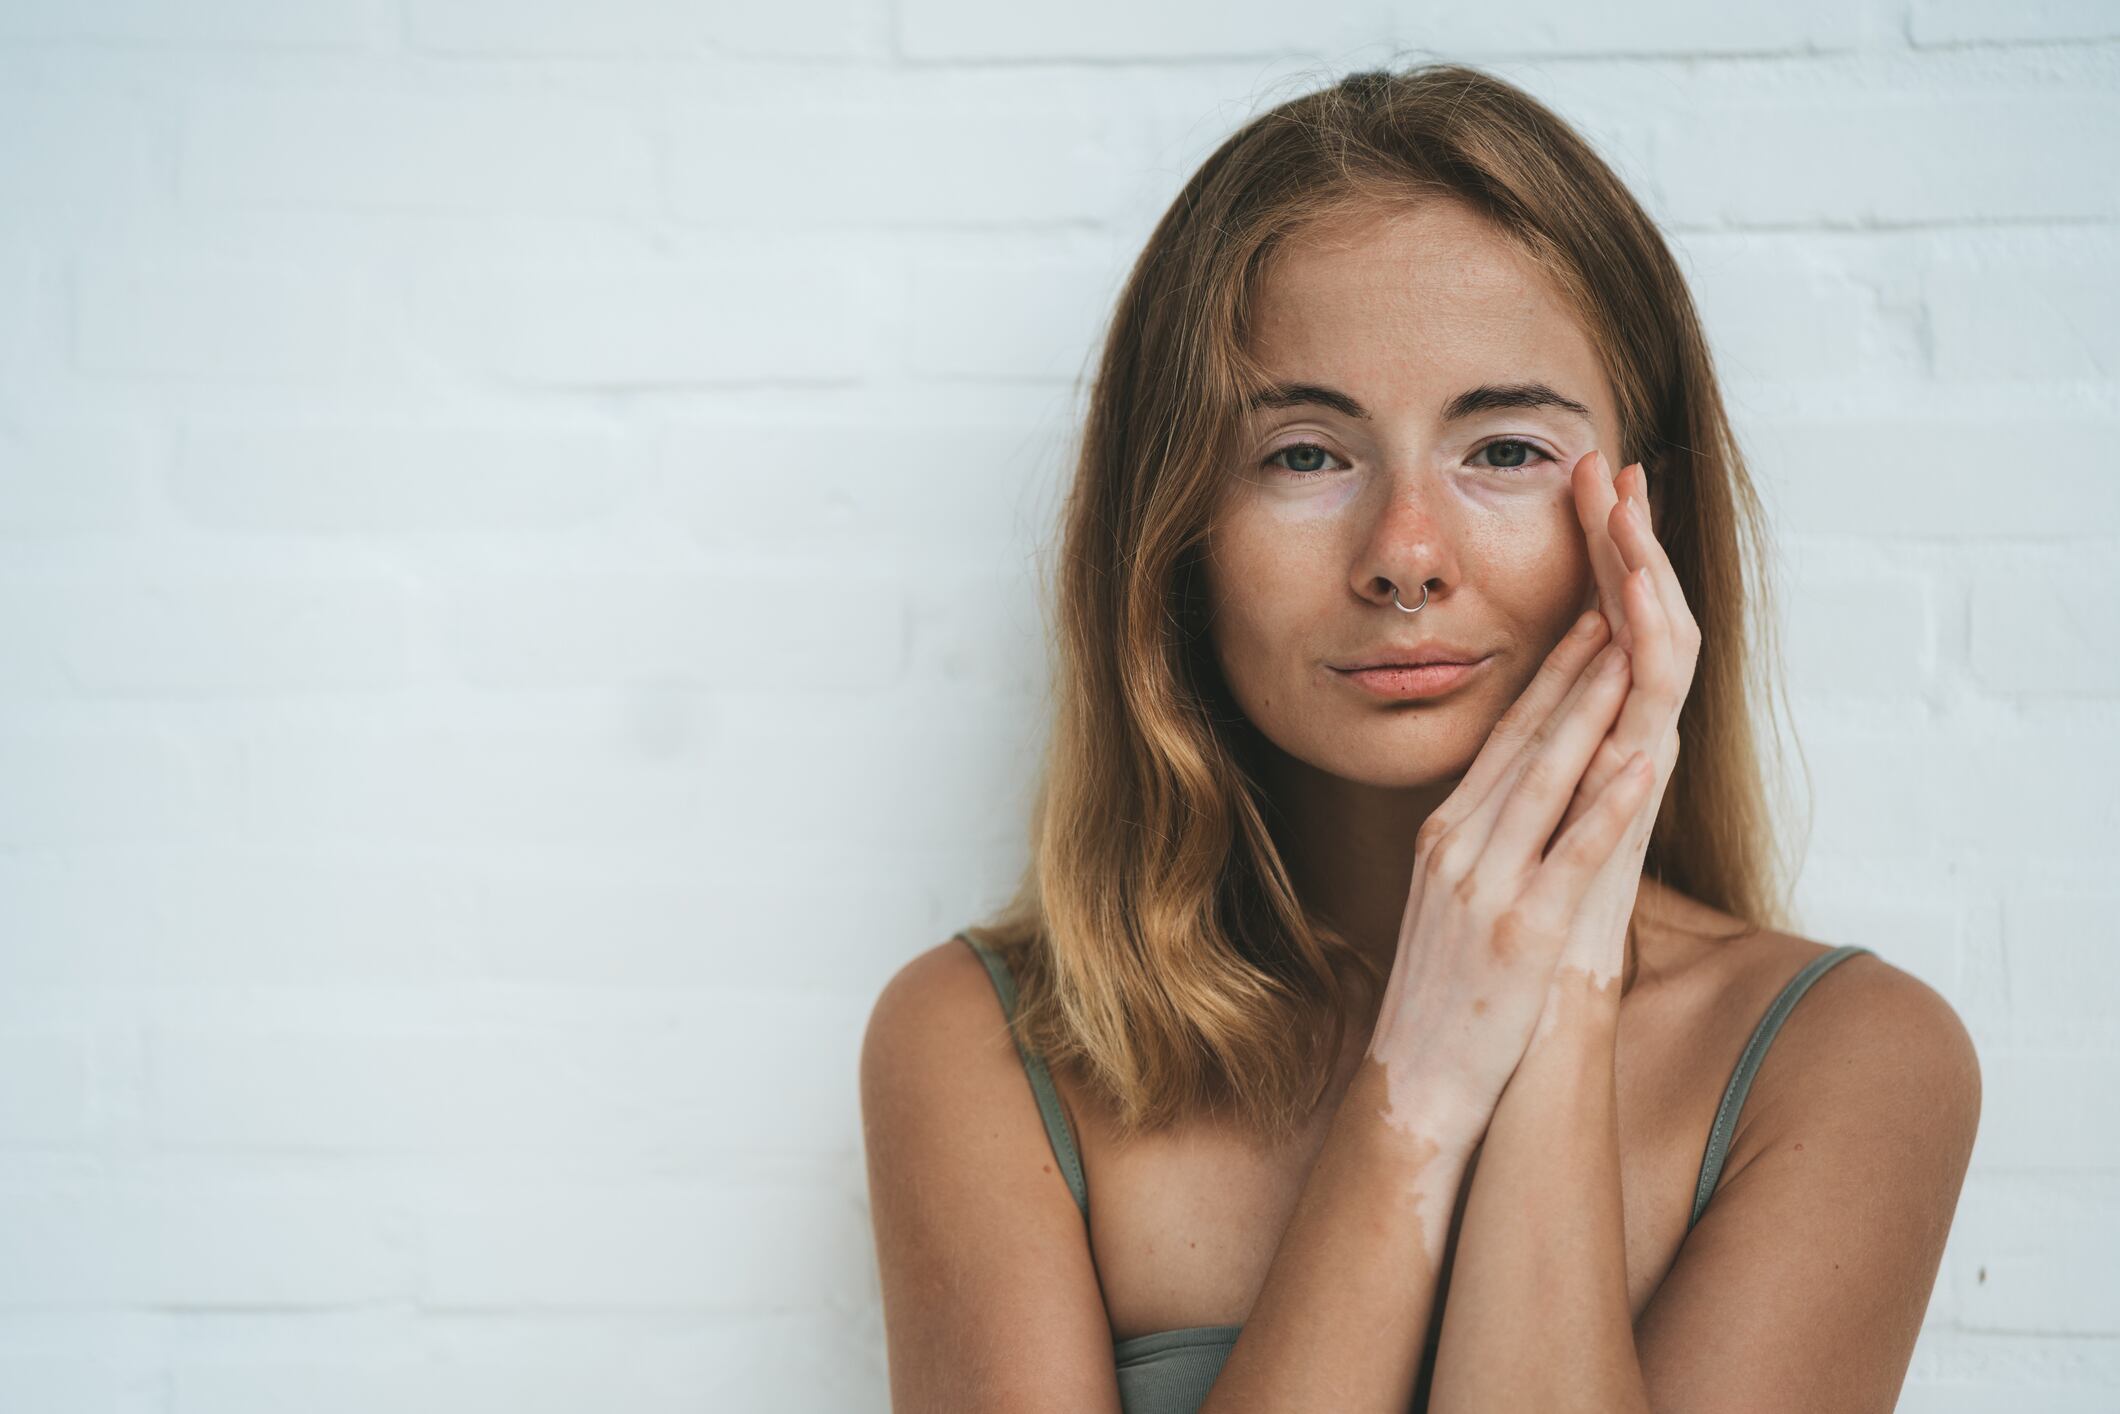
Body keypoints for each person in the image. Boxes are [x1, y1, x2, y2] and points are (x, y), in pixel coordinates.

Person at [859, 62, 1979, 1413]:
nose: (1405, 554)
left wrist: (1556, 990)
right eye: (1304, 454)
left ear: (1652, 521)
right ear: (1173, 534)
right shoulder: (979, 1041)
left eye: (1504, 450)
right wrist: (1422, 1084)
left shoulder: (1852, 1059)